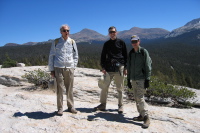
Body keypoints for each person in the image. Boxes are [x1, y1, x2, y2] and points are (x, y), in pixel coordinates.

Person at [94, 26, 128, 113]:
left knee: (120, 88)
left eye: (113, 32)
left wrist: (126, 68)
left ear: (116, 32)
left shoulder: (121, 43)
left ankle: (120, 106)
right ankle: (103, 104)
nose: (112, 33)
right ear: (109, 34)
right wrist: (103, 67)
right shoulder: (106, 44)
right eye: (110, 32)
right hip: (109, 68)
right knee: (104, 87)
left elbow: (126, 56)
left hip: (119, 67)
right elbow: (103, 56)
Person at [48, 24, 78, 115]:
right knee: (59, 89)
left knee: (70, 89)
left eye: (68, 30)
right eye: (64, 31)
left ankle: (71, 106)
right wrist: (52, 69)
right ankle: (60, 108)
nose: (66, 32)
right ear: (61, 32)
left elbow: (75, 55)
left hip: (69, 68)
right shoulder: (56, 42)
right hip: (58, 67)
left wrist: (73, 66)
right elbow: (51, 55)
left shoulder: (72, 42)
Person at [127, 35, 152, 128]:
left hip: (141, 78)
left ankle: (146, 117)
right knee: (136, 98)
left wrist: (147, 79)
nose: (134, 43)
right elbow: (129, 67)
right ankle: (141, 115)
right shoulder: (131, 53)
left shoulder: (143, 52)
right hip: (133, 79)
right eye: (132, 42)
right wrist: (128, 80)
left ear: (139, 41)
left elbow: (148, 66)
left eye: (135, 41)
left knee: (140, 98)